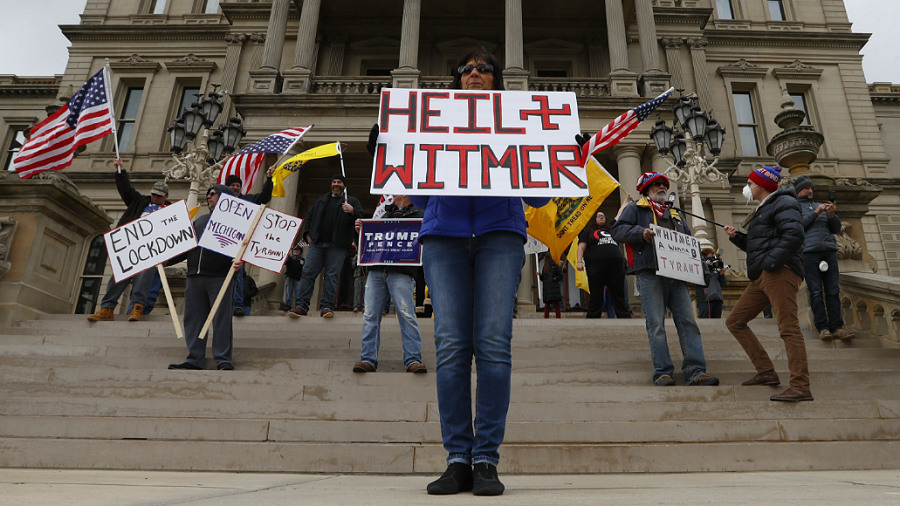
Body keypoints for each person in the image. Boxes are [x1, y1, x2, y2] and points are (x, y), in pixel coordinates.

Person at [374, 48, 551, 496]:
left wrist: (556, 156)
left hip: (500, 234)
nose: (474, 73)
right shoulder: (433, 123)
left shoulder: (517, 121)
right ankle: (457, 458)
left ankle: (486, 459)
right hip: (444, 236)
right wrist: (390, 151)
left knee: (493, 343)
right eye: (466, 69)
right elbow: (414, 194)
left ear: (495, 80)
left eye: (483, 68)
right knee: (452, 346)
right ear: (456, 80)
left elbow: (538, 199)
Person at [610, 172, 719, 387]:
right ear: (646, 189)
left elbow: (689, 243)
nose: (661, 187)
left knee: (688, 322)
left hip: (677, 275)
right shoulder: (635, 208)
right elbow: (617, 231)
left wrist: (703, 274)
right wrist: (642, 233)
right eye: (656, 185)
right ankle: (662, 372)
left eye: (663, 184)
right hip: (650, 273)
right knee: (656, 325)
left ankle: (696, 371)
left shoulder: (675, 213)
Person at [724, 165, 813, 402]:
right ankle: (765, 372)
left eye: (751, 183)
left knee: (788, 327)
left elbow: (794, 235)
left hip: (779, 272)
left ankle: (801, 386)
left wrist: (772, 263)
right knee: (735, 321)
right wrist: (738, 238)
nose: (748, 187)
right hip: (764, 275)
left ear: (762, 185)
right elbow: (761, 245)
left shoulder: (783, 202)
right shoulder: (766, 208)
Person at [168, 184, 242, 371]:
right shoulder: (199, 221)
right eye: (208, 194)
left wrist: (240, 264)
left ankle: (223, 359)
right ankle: (194, 358)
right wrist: (164, 261)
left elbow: (243, 249)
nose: (208, 197)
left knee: (221, 320)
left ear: (224, 197)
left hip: (220, 277)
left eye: (212, 194)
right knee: (193, 319)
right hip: (194, 277)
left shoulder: (234, 223)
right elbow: (186, 248)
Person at [87, 159, 170, 323]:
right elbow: (125, 189)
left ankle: (136, 309)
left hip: (152, 251)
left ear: (166, 196)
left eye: (159, 196)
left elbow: (174, 237)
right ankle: (107, 308)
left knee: (143, 280)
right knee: (118, 277)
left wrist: (167, 256)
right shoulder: (139, 201)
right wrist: (120, 171)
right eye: (153, 194)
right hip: (130, 246)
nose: (155, 197)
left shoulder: (171, 211)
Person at [352, 195, 427, 374]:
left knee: (406, 314)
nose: (391, 193)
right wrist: (359, 231)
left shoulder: (421, 215)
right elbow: (369, 243)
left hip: (402, 271)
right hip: (377, 270)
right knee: (370, 316)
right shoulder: (384, 216)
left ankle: (413, 359)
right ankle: (368, 359)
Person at [288, 174, 363, 318]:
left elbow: (361, 219)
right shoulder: (321, 200)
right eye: (334, 182)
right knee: (308, 273)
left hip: (337, 245)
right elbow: (310, 218)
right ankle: (301, 306)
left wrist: (352, 211)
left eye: (339, 182)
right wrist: (308, 235)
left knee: (332, 276)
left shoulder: (351, 201)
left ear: (344, 185)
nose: (336, 184)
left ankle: (327, 306)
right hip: (317, 244)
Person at [794, 175, 853, 341]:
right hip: (810, 252)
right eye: (807, 188)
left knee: (833, 290)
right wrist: (816, 213)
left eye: (811, 188)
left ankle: (837, 327)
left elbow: (835, 229)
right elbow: (799, 226)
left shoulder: (819, 204)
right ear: (799, 190)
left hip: (829, 250)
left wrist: (832, 215)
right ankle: (823, 327)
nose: (810, 190)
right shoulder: (795, 207)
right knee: (816, 291)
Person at [225, 166, 276, 317]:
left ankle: (237, 305)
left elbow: (265, 197)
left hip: (239, 245)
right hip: (221, 243)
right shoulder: (220, 201)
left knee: (238, 275)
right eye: (232, 185)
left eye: (238, 186)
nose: (235, 188)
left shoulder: (246, 200)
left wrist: (269, 178)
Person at [576, 201, 632, 319]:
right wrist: (579, 261)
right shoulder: (588, 233)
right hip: (596, 266)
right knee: (596, 293)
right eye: (598, 216)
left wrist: (626, 202)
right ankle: (593, 317)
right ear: (594, 219)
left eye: (603, 216)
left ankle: (624, 316)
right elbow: (581, 247)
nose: (601, 217)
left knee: (618, 293)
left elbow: (619, 215)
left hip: (615, 265)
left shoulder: (612, 229)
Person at [696, 248, 728, 319]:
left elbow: (723, 284)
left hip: (717, 299)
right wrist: (705, 266)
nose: (712, 260)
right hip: (705, 299)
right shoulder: (700, 267)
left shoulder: (715, 271)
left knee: (717, 321)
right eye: (710, 257)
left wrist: (721, 274)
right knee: (705, 321)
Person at [282, 245, 305, 311]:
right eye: (295, 250)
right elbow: (284, 263)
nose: (296, 251)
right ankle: (288, 305)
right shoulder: (290, 259)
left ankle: (298, 306)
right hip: (290, 277)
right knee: (288, 292)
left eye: (298, 250)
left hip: (298, 278)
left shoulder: (302, 260)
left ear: (300, 252)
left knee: (298, 293)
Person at [540, 253, 563, 319]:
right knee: (547, 304)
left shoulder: (555, 266)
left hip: (553, 288)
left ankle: (558, 317)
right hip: (547, 288)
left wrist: (554, 279)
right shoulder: (545, 267)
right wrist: (539, 275)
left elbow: (560, 276)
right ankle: (546, 317)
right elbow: (543, 278)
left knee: (555, 304)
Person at [351, 247, 366, 313]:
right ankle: (356, 306)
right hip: (358, 276)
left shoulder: (367, 256)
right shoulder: (357, 256)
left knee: (366, 292)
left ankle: (364, 306)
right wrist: (358, 262)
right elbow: (353, 265)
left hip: (365, 277)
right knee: (357, 292)